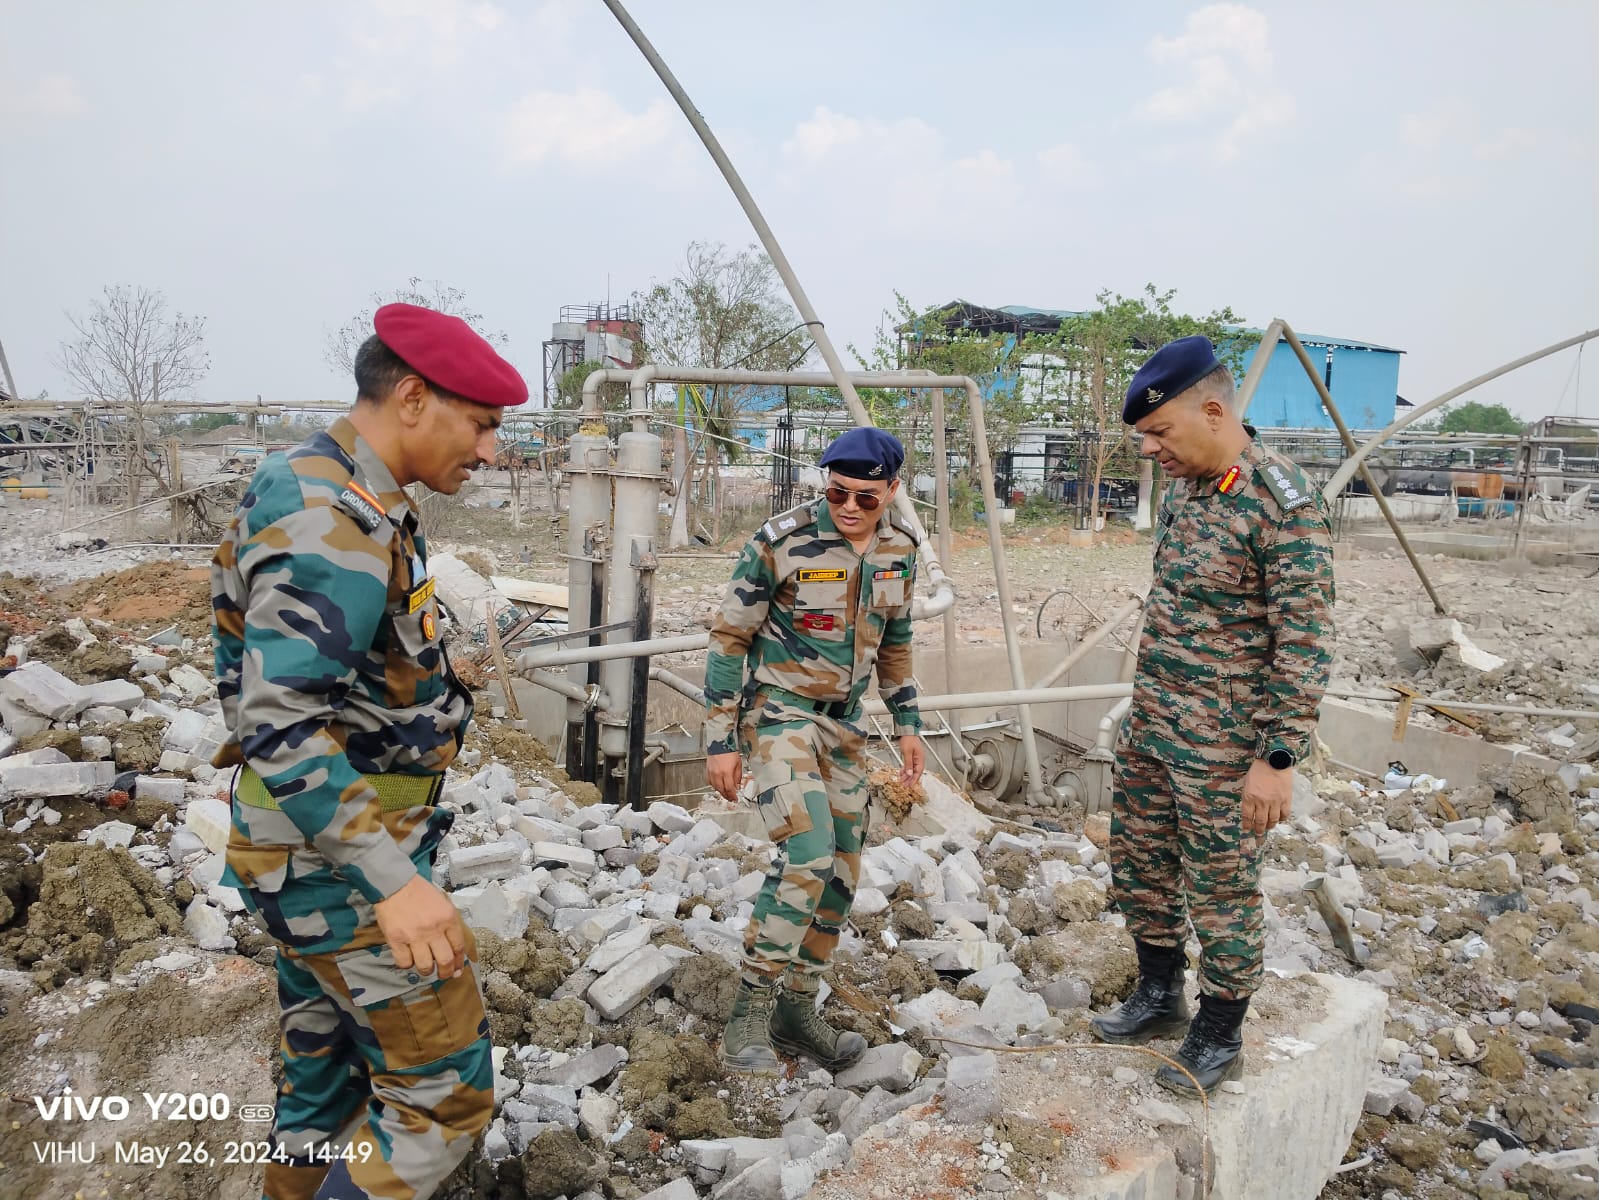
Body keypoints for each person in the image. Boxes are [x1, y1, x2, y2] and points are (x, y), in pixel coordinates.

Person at [210, 303, 527, 1199]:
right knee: (441, 1101)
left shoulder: (345, 490)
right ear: (416, 398)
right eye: (482, 425)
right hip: (338, 860)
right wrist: (396, 883)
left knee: (324, 1079)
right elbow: (282, 722)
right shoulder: (334, 515)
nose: (491, 450)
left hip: (307, 849)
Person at [1089, 335, 1335, 1097]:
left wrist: (1278, 758)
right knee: (1141, 867)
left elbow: (1304, 641)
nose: (1151, 450)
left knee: (1221, 888)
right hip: (1157, 726)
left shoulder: (1282, 503)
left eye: (1159, 433)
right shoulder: (1190, 489)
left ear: (1213, 410)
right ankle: (1159, 993)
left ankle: (1220, 1031)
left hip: (1227, 751)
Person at [704, 425, 926, 1074]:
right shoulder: (781, 542)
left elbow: (896, 640)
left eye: (865, 497)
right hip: (778, 717)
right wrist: (720, 741)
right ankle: (747, 1013)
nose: (849, 508)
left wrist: (908, 721)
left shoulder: (899, 550)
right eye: (836, 494)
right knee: (806, 852)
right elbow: (728, 641)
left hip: (845, 727)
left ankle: (795, 1012)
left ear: (890, 491)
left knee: (841, 871)